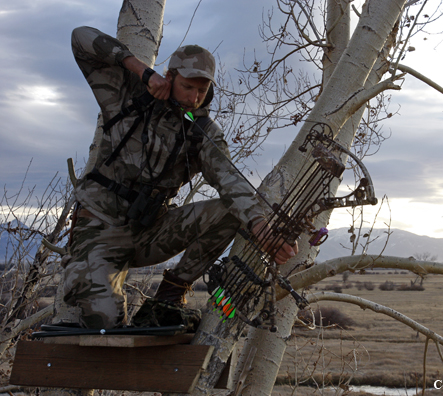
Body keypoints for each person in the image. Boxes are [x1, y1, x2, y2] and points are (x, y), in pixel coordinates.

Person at [62, 26, 297, 330]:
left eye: (202, 90)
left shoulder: (202, 132)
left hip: (149, 232)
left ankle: (168, 299)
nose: (194, 97)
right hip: (100, 230)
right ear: (170, 77)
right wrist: (143, 73)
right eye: (187, 87)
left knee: (230, 211)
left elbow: (230, 181)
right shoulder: (127, 95)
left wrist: (260, 225)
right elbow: (81, 38)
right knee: (105, 322)